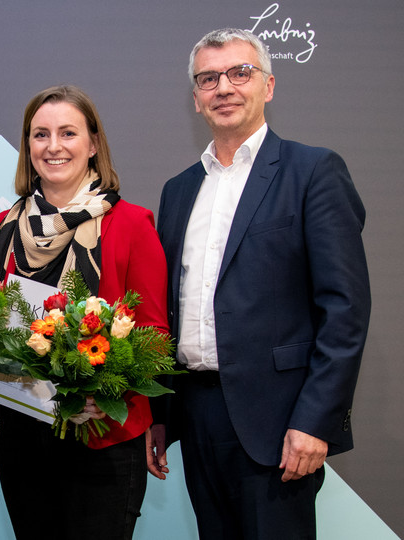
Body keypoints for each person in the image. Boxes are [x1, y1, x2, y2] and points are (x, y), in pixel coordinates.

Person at [155, 28, 370, 539]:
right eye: (209, 78)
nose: (223, 87)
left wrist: (316, 420)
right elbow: (167, 311)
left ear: (268, 86)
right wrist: (162, 415)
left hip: (279, 421)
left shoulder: (313, 170)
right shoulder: (179, 189)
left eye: (239, 73)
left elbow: (344, 309)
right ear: (196, 98)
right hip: (197, 411)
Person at [0, 85, 169, 539]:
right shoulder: (6, 226)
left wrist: (102, 390)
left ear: (93, 144)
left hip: (101, 433)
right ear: (27, 147)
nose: (53, 146)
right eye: (40, 134)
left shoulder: (132, 223)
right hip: (23, 430)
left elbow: (154, 334)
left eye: (68, 133)